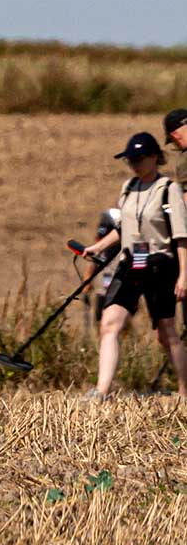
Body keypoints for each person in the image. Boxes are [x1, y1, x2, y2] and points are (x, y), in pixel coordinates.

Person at [82, 131, 187, 399]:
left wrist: (183, 275)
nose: (134, 165)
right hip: (131, 262)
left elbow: (181, 236)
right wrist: (98, 247)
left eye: (139, 159)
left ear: (154, 157)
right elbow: (123, 229)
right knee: (109, 323)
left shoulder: (169, 189)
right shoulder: (128, 187)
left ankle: (184, 391)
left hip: (160, 264)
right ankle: (101, 391)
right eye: (130, 160)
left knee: (166, 332)